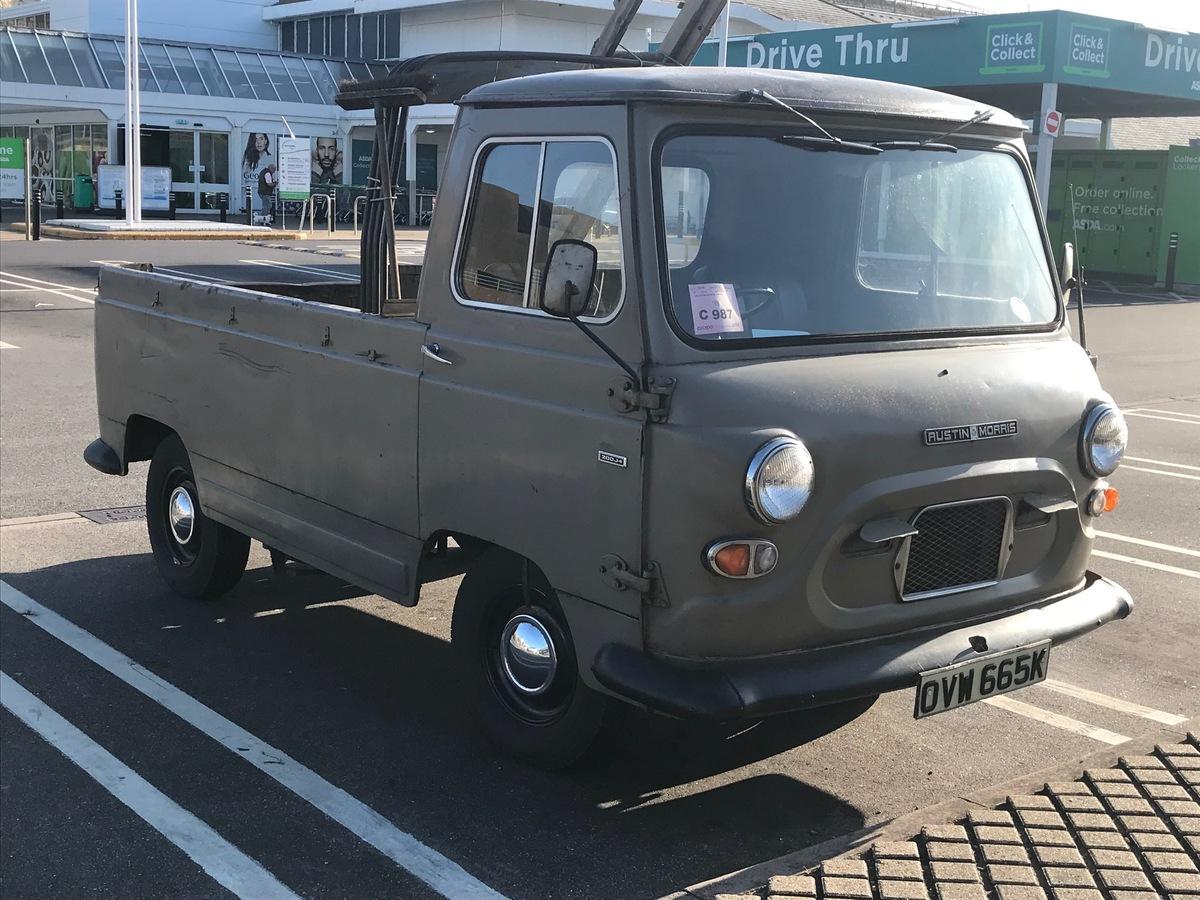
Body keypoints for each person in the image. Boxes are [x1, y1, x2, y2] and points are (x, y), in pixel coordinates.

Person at [241, 133, 274, 212]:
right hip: (251, 193)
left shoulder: (269, 158)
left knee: (267, 206)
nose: (258, 142)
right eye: (256, 140)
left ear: (266, 141)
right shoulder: (247, 158)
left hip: (263, 191)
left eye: (261, 139)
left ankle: (262, 218)